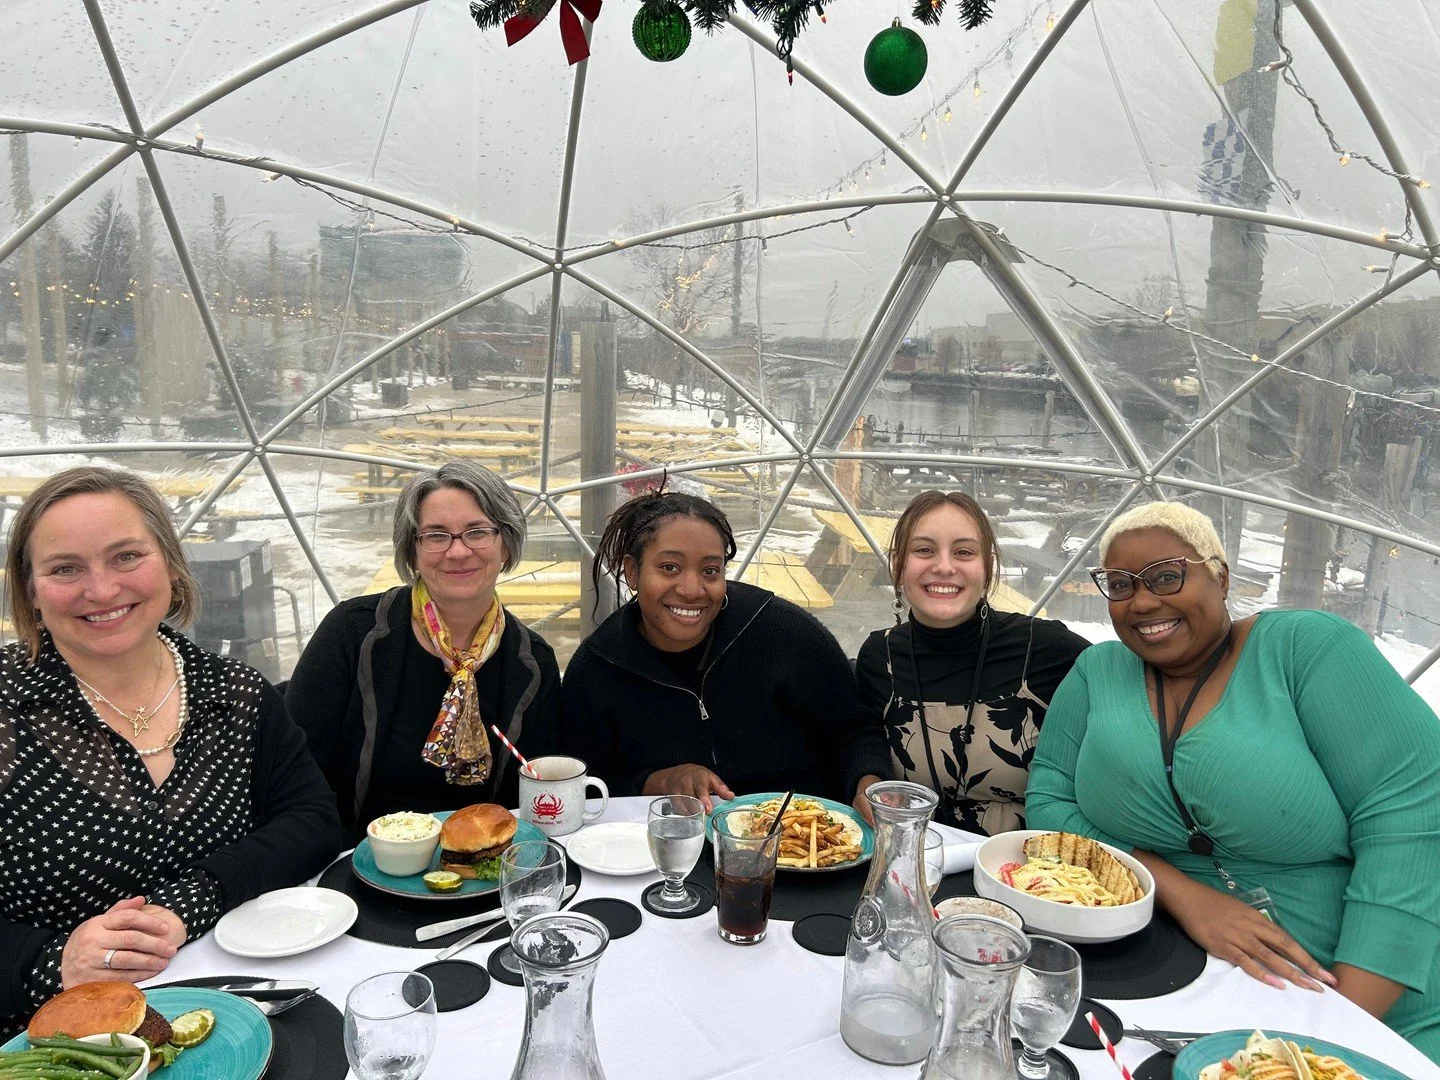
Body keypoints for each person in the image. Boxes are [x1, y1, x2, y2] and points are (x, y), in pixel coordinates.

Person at [1027, 501, 1440, 1061]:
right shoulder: (1097, 673)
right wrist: (1177, 891)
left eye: (1166, 576)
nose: (1143, 601)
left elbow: (1412, 814)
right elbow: (1049, 799)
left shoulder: (1305, 650)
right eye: (1121, 585)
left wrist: (1339, 1030)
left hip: (1367, 999)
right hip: (1169, 980)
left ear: (1219, 576)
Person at [0, 467, 339, 1025]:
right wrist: (55, 962)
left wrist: (196, 898)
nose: (101, 590)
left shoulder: (235, 694)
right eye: (65, 568)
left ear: (172, 566)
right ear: (31, 591)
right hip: (53, 1037)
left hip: (234, 1015)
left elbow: (311, 819)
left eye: (126, 556)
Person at [560, 490, 890, 815]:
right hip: (668, 842)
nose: (692, 590)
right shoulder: (596, 668)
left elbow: (854, 730)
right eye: (669, 567)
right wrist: (662, 781)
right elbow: (584, 787)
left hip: (808, 834)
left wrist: (867, 787)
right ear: (633, 571)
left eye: (710, 571)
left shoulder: (782, 631)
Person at [287, 462, 560, 844]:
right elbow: (293, 775)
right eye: (436, 536)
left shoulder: (532, 663)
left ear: (507, 545)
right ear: (412, 551)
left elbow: (536, 795)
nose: (458, 551)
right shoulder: (352, 633)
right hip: (359, 857)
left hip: (483, 863)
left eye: (477, 532)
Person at [855, 490, 1088, 834]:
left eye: (963, 552)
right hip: (916, 855)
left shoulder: (1046, 648)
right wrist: (866, 782)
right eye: (924, 550)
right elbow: (863, 740)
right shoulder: (880, 656)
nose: (944, 567)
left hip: (1030, 861)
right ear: (897, 563)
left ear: (987, 566)